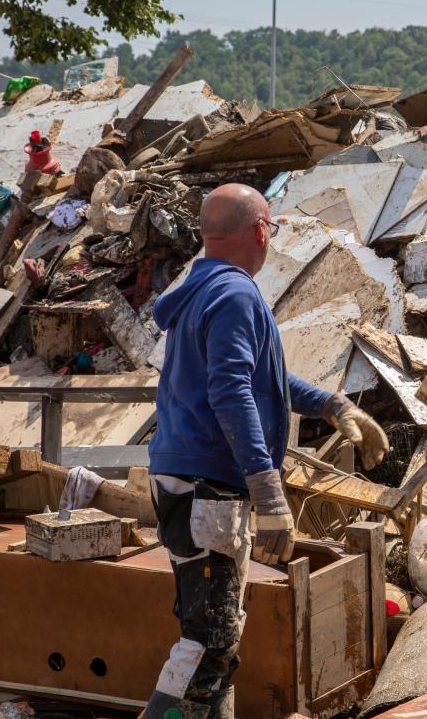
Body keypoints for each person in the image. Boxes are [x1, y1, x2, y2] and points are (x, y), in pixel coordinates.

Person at [144, 183, 389, 719]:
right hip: (209, 489)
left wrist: (331, 405)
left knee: (219, 635)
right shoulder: (233, 295)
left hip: (189, 482)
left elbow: (262, 378)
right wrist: (269, 491)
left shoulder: (206, 288)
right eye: (272, 228)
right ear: (260, 230)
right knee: (208, 642)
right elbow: (230, 390)